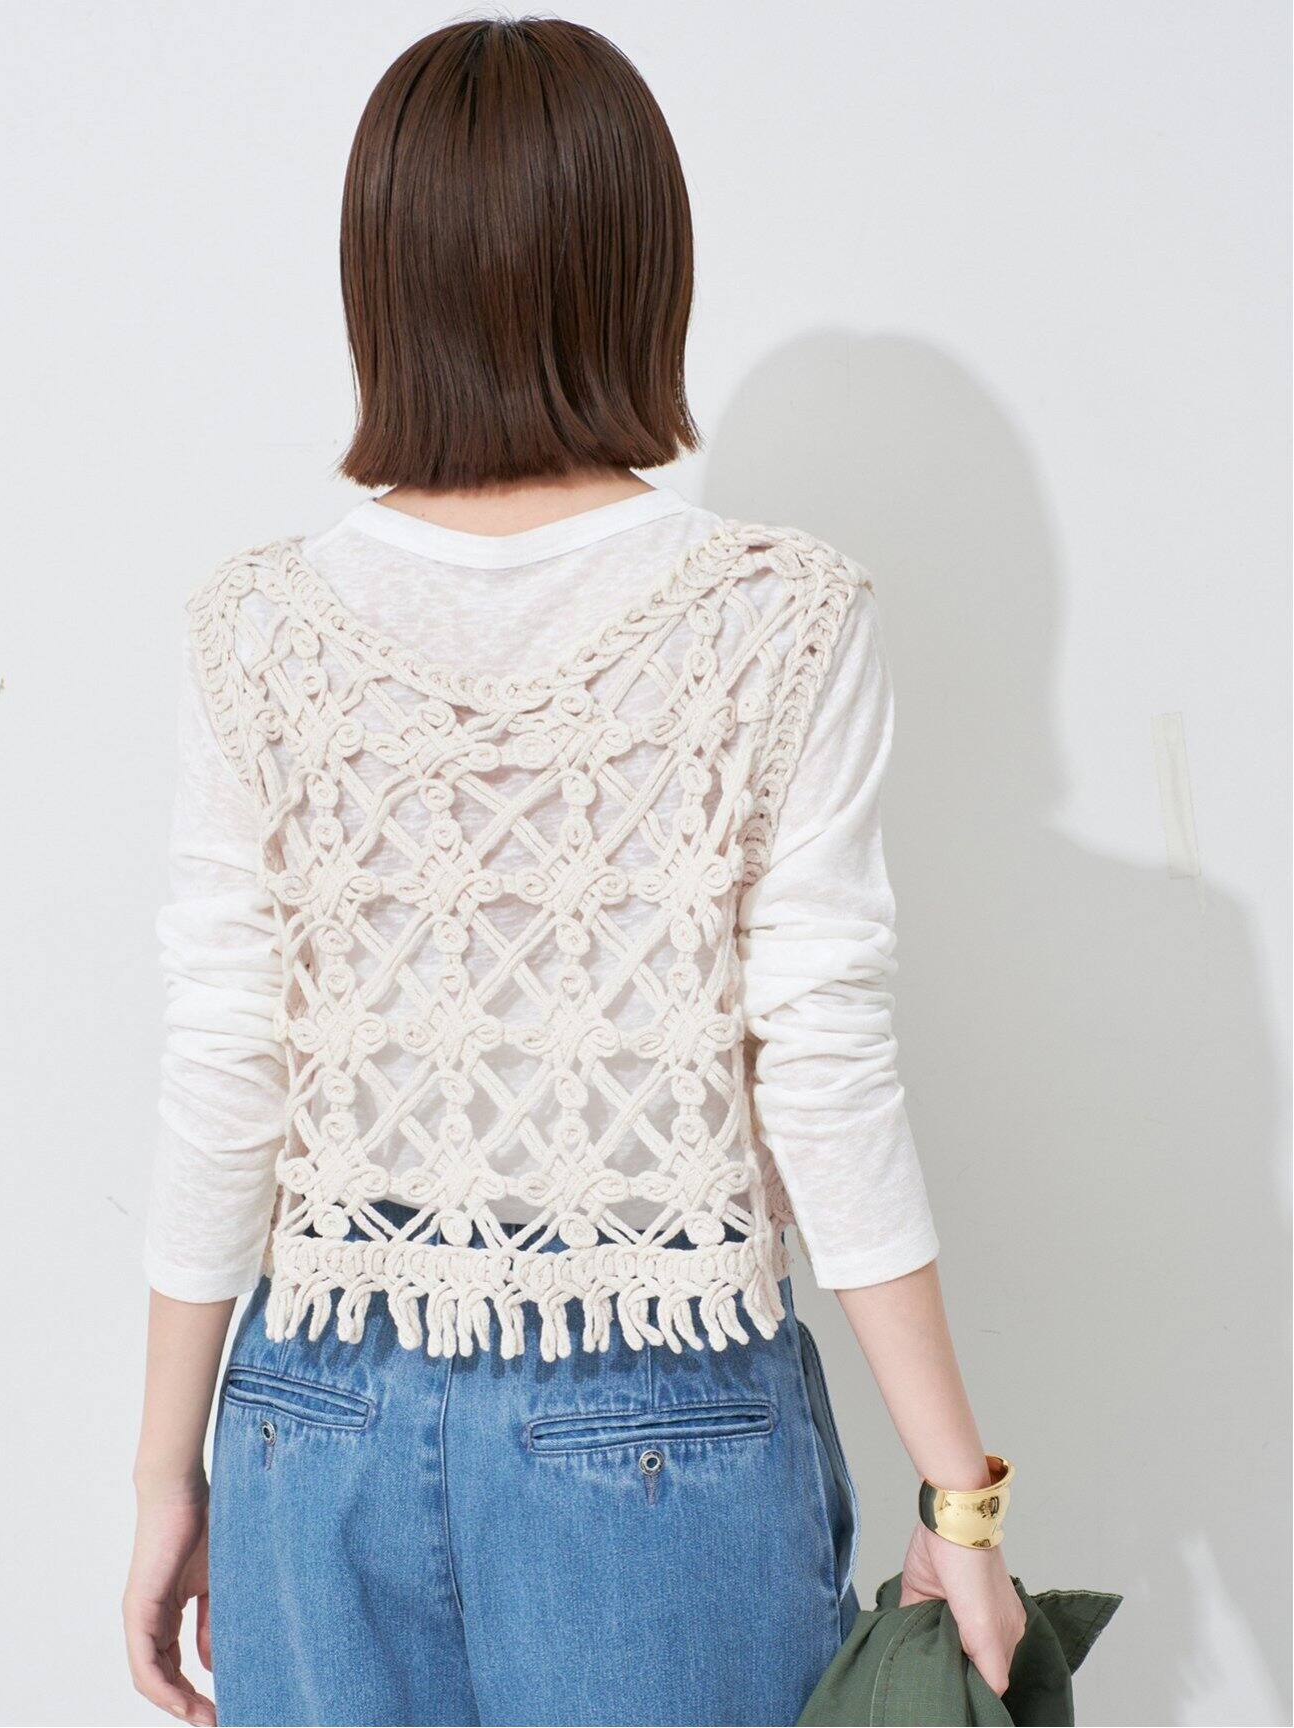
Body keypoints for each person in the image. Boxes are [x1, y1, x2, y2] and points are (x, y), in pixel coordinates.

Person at [123, 18, 1026, 1727]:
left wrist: (171, 1475)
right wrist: (959, 1504)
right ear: (642, 264)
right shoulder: (777, 613)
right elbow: (821, 1068)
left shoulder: (257, 628)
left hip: (310, 1408)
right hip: (656, 1406)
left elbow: (225, 1061)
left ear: (378, 277)